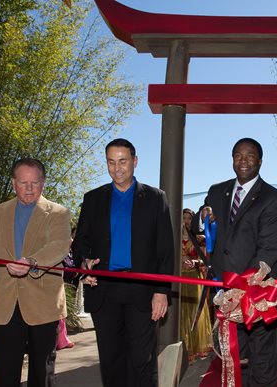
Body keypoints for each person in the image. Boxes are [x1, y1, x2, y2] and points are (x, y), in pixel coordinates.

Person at [72, 138, 174, 387]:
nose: (116, 168)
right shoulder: (93, 199)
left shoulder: (155, 198)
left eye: (122, 161)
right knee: (111, 359)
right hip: (103, 289)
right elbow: (80, 243)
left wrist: (161, 292)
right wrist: (84, 265)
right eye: (111, 162)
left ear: (135, 162)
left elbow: (165, 250)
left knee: (143, 359)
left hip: (141, 289)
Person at [195, 137, 277, 386]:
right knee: (234, 358)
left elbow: (268, 249)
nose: (243, 161)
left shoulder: (274, 199)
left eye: (249, 156)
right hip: (225, 292)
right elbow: (198, 223)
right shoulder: (217, 191)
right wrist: (203, 213)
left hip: (258, 294)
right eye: (238, 155)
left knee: (263, 360)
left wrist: (243, 286)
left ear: (259, 160)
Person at [0, 158, 71, 386]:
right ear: (13, 182)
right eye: (23, 182)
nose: (29, 188)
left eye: (34, 183)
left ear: (43, 183)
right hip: (4, 303)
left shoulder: (59, 213)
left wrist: (31, 261)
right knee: (4, 373)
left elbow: (58, 246)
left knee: (42, 372)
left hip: (44, 304)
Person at [180, 208, 212, 361]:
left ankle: (194, 347)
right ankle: (182, 347)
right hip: (178, 281)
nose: (185, 221)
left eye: (189, 218)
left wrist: (194, 262)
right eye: (183, 218)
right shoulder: (173, 238)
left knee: (194, 313)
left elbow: (206, 261)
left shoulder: (200, 239)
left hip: (194, 279)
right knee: (180, 314)